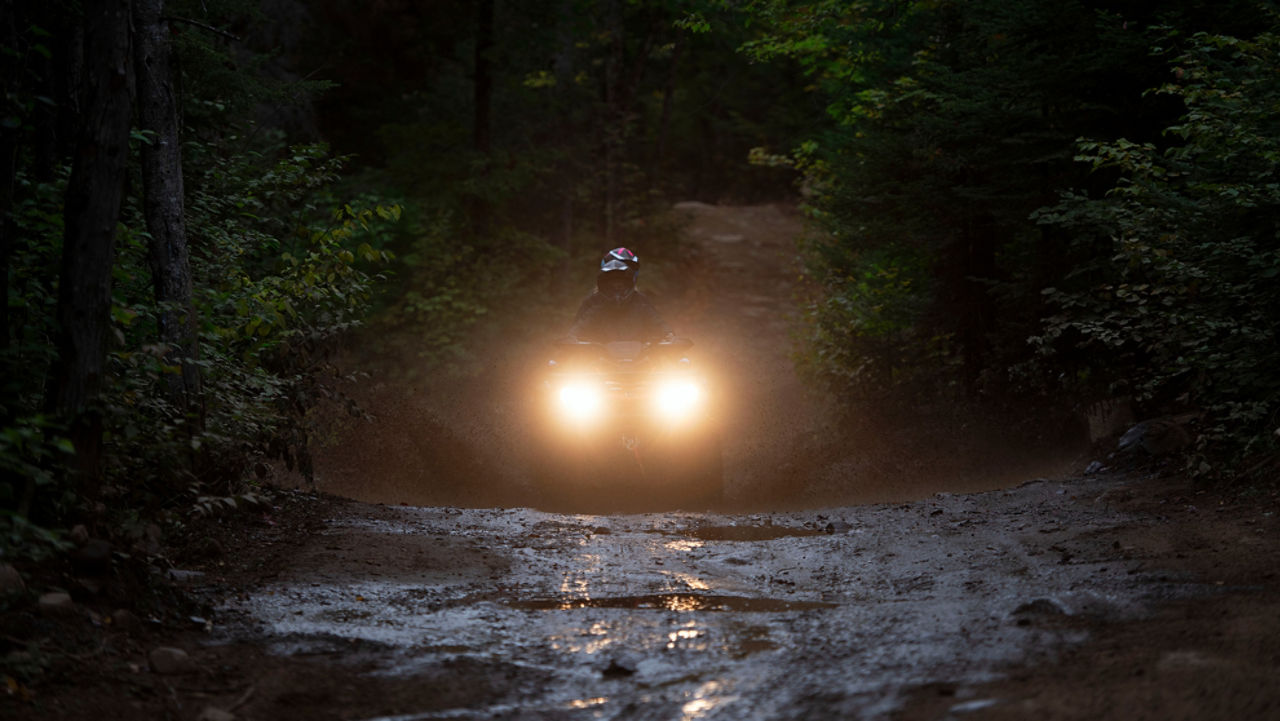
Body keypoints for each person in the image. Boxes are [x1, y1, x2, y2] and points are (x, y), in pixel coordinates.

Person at [567, 247, 674, 343]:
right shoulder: (592, 302)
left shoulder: (641, 301)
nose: (618, 273)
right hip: (598, 361)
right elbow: (576, 332)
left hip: (640, 361)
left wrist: (668, 337)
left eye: (628, 268)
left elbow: (657, 323)